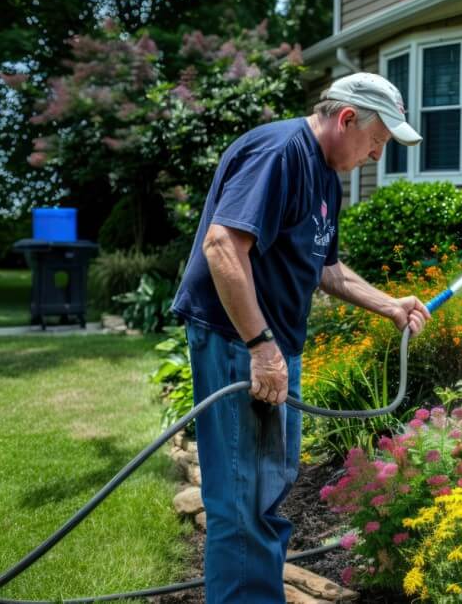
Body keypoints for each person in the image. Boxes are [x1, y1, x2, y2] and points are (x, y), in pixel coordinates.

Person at [170, 72, 431, 602]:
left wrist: (390, 306)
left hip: (271, 346)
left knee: (265, 490)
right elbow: (223, 247)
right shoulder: (279, 153)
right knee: (243, 500)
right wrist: (261, 347)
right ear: (347, 119)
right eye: (377, 142)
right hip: (236, 342)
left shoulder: (325, 177)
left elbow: (326, 268)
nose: (377, 157)